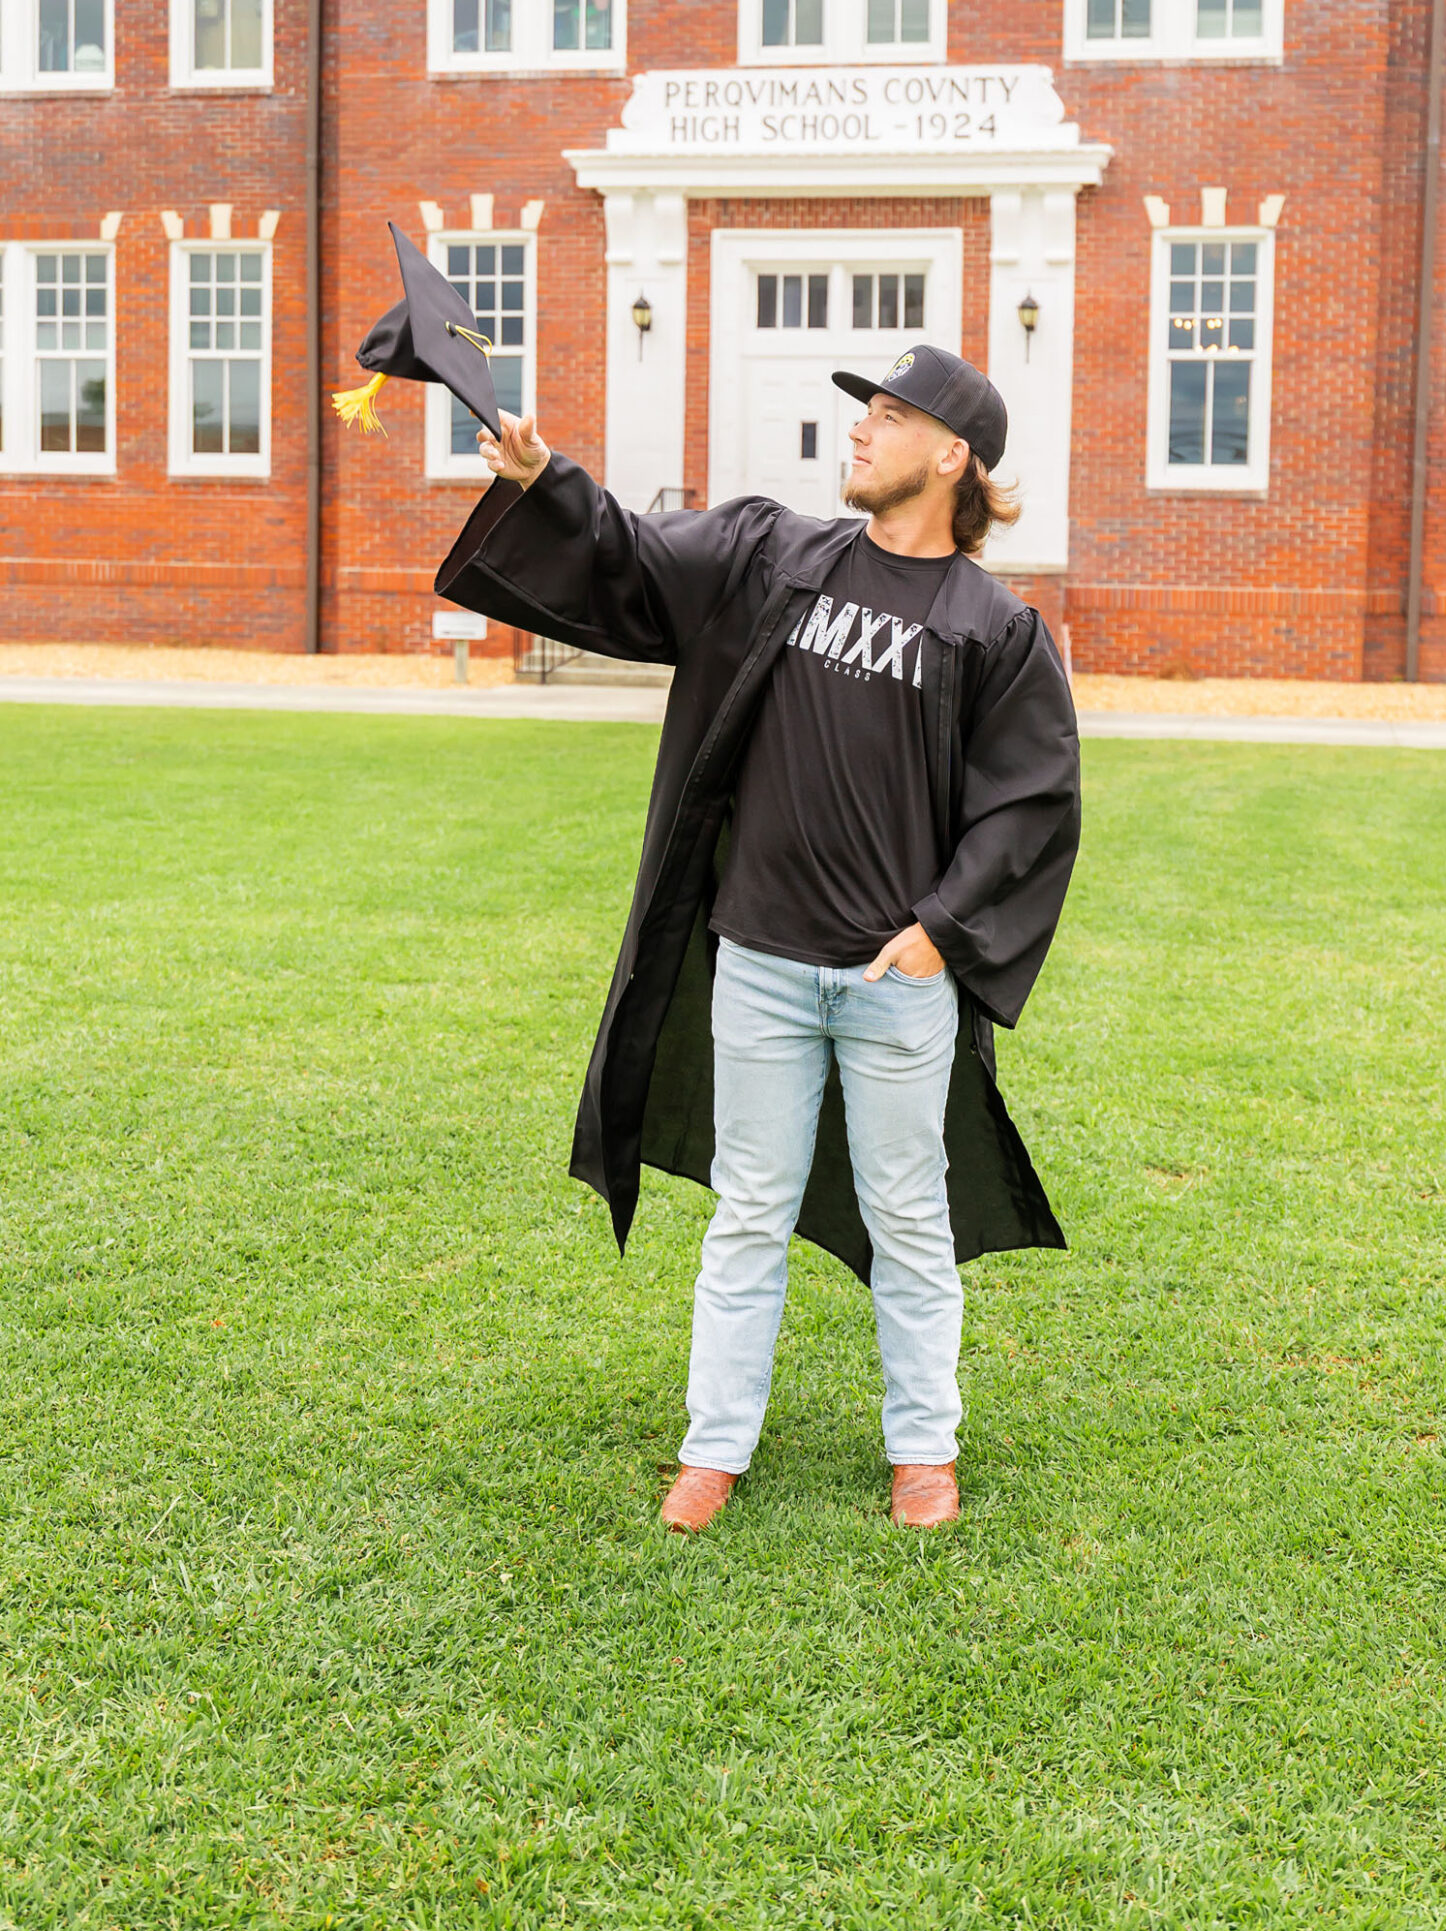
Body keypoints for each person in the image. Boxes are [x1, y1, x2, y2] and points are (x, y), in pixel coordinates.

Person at [435, 344, 1081, 1532]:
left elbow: (1030, 803)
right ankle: (712, 1446)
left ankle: (921, 1448)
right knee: (746, 1212)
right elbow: (632, 556)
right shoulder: (775, 557)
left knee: (908, 1216)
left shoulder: (992, 629)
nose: (859, 432)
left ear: (951, 456)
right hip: (763, 967)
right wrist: (544, 479)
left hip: (891, 984)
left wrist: (940, 933)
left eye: (888, 418)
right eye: (863, 413)